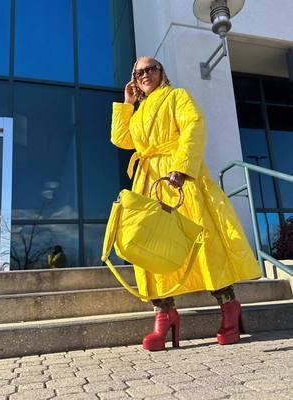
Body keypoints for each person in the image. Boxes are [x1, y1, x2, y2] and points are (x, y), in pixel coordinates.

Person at [111, 56, 261, 351]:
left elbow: (194, 125)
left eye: (149, 69)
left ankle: (229, 307)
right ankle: (164, 314)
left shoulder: (177, 96)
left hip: (179, 177)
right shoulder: (138, 111)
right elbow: (121, 139)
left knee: (203, 241)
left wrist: (182, 168)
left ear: (161, 72)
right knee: (150, 247)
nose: (144, 75)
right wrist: (127, 104)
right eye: (138, 72)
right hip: (149, 181)